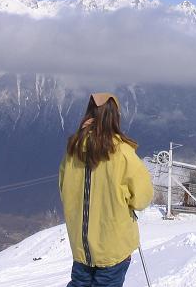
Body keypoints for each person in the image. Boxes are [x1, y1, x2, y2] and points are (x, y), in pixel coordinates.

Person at [59, 92, 154, 287]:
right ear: (114, 117)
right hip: (113, 247)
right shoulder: (122, 153)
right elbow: (142, 198)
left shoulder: (72, 151)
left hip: (81, 247)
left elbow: (64, 188)